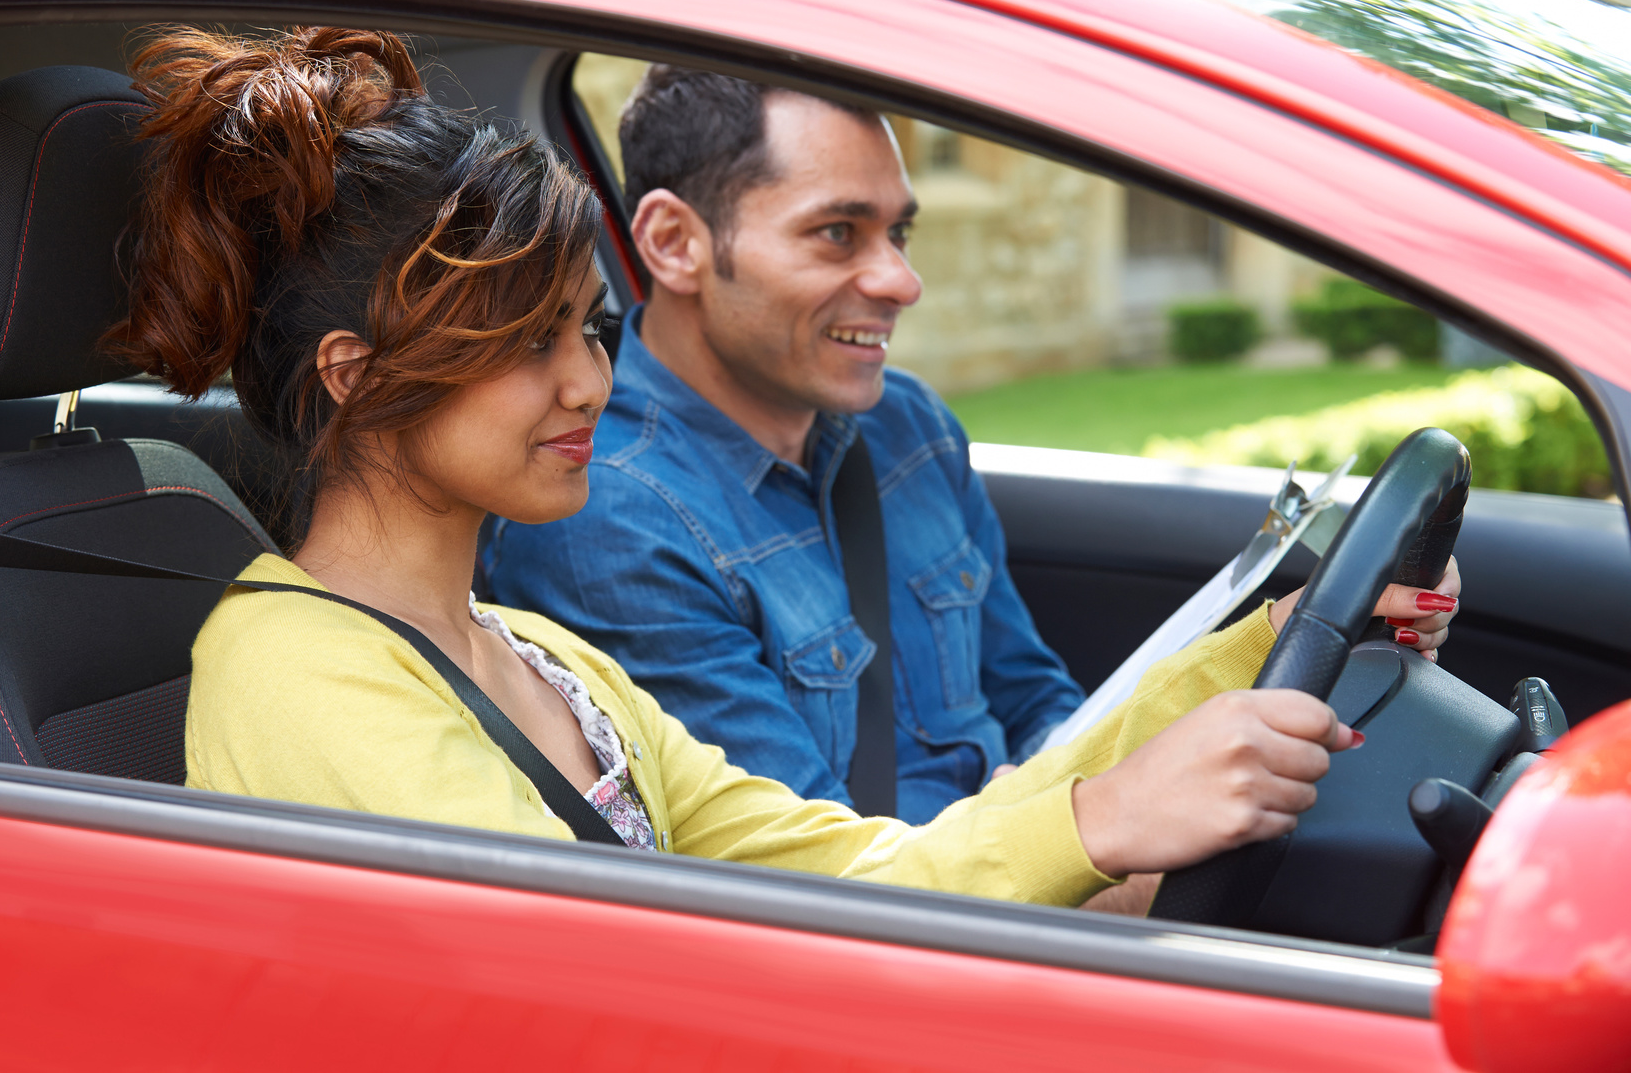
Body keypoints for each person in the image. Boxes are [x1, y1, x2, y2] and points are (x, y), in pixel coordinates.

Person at [123, 27, 1452, 914]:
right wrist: (1102, 824)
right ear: (355, 374)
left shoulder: (544, 660)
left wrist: (1255, 653)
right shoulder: (294, 669)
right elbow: (581, 989)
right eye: (523, 345)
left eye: (585, 330)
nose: (589, 382)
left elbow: (861, 874)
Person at [481, 67, 1459, 824]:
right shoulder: (606, 515)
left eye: (898, 234)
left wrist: (1278, 645)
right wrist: (1112, 834)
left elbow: (1038, 705)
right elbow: (813, 879)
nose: (900, 282)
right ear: (672, 243)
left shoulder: (905, 425)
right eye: (837, 234)